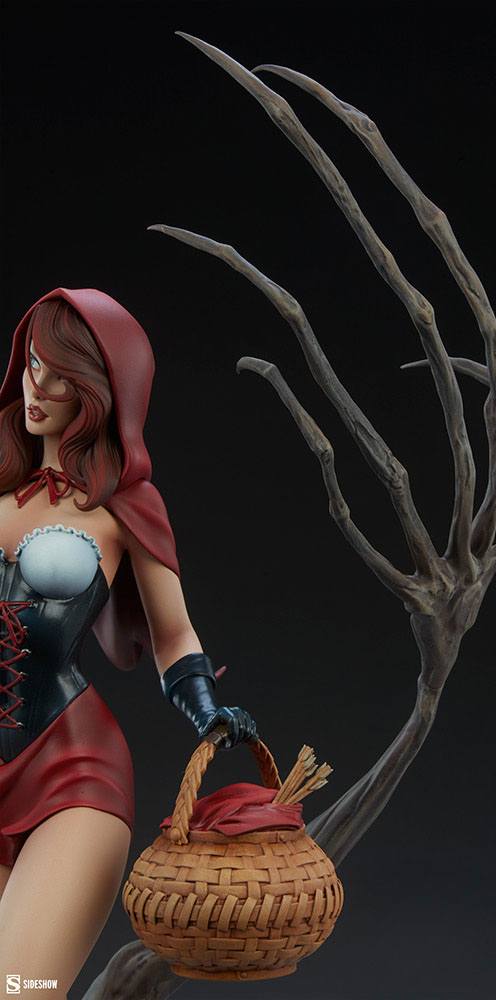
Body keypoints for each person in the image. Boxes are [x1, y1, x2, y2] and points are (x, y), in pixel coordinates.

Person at [0, 288, 256, 996]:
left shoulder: (121, 506)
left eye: (62, 376)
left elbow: (173, 633)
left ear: (102, 391)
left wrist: (206, 708)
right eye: (32, 364)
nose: (38, 388)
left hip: (68, 772)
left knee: (19, 989)